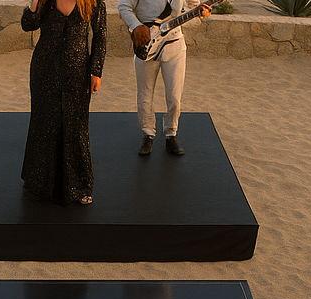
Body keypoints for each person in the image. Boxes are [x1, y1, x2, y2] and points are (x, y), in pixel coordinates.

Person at [20, 0, 107, 207]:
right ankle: (40, 182)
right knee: (44, 124)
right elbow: (28, 25)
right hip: (45, 69)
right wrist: (34, 3)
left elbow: (100, 37)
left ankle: (80, 185)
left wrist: (96, 71)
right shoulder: (45, 1)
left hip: (77, 73)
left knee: (76, 127)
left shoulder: (94, 3)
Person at [118, 0, 208, 157]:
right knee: (145, 94)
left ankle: (171, 134)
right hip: (146, 42)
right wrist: (137, 26)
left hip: (175, 45)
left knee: (175, 97)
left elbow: (192, 8)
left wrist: (200, 12)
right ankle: (148, 134)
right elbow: (124, 7)